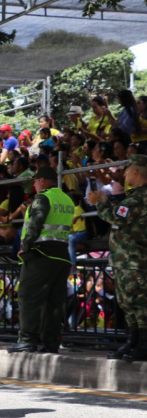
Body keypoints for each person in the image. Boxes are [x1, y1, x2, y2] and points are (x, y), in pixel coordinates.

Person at [8, 166, 73, 354]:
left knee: (28, 297)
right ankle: (50, 343)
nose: (34, 184)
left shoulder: (43, 198)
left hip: (41, 255)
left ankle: (27, 340)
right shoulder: (66, 199)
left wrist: (25, 246)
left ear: (43, 181)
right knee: (53, 302)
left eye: (36, 181)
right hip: (61, 255)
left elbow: (35, 224)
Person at [88, 154, 147, 361]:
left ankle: (143, 345)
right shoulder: (134, 198)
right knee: (128, 304)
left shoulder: (139, 197)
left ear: (137, 171)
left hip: (135, 261)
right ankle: (133, 342)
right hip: (127, 261)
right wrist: (105, 201)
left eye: (128, 169)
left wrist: (98, 204)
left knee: (138, 304)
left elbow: (117, 217)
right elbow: (120, 214)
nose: (125, 174)